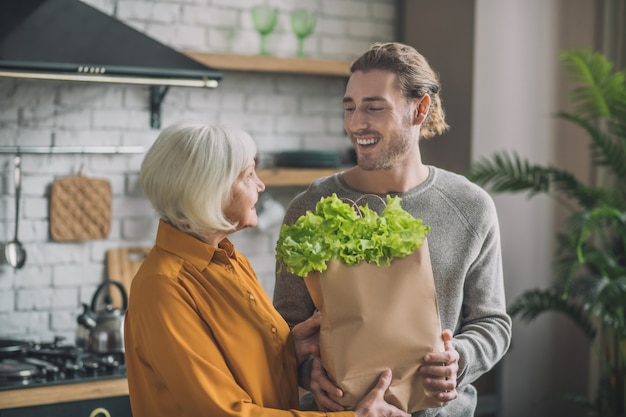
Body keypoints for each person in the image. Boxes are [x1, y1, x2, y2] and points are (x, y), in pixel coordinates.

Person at [273, 42, 512, 416]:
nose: (355, 124)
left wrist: (460, 358)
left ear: (420, 109)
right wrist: (305, 371)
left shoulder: (470, 206)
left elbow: (491, 321)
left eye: (374, 107)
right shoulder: (309, 207)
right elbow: (286, 327)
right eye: (349, 107)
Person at [124, 121, 411, 417]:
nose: (260, 185)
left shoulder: (231, 261)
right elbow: (223, 413)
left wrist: (289, 351)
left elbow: (243, 368)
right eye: (249, 175)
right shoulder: (162, 287)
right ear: (209, 189)